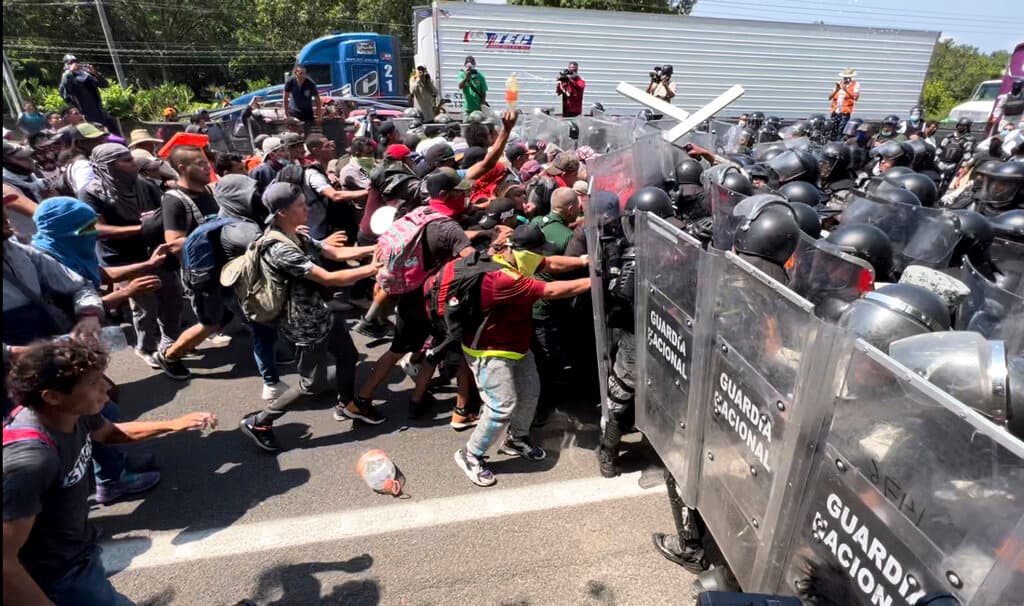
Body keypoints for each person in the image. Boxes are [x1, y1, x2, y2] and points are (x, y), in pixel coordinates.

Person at [3, 338, 215, 606]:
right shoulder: (31, 461)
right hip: (55, 576)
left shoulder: (71, 412)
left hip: (76, 552)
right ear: (53, 395)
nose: (107, 387)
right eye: (93, 383)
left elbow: (109, 433)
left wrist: (175, 424)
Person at [238, 183, 378, 452]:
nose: (307, 209)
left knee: (348, 357)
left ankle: (347, 404)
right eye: (301, 205)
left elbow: (333, 253)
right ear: (281, 212)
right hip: (305, 326)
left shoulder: (294, 234)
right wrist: (371, 269)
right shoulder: (279, 248)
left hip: (321, 313)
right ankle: (260, 421)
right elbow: (327, 277)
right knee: (311, 385)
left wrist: (373, 249)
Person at [454, 223, 590, 487]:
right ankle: (470, 453)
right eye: (537, 250)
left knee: (529, 394)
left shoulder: (518, 257)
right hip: (489, 351)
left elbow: (551, 263)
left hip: (516, 344)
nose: (541, 256)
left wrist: (585, 260)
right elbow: (551, 290)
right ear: (523, 249)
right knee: (501, 406)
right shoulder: (502, 277)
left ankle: (516, 439)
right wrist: (594, 280)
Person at [77, 143, 182, 369]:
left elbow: (163, 212)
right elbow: (94, 229)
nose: (133, 164)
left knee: (172, 297)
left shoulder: (143, 185)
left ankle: (170, 340)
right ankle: (146, 347)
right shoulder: (89, 192)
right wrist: (140, 228)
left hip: (154, 251)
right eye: (125, 161)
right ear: (107, 167)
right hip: (122, 258)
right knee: (145, 305)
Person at [152, 146, 221, 380]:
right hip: (199, 272)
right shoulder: (174, 200)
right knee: (210, 322)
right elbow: (173, 242)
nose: (207, 167)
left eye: (206, 163)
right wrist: (214, 235)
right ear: (182, 168)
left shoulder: (206, 192)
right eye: (200, 164)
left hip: (219, 266)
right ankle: (170, 355)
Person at [529, 188, 581, 422]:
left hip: (527, 299)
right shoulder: (569, 238)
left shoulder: (537, 222)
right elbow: (569, 275)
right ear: (571, 209)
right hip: (549, 306)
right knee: (547, 360)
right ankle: (540, 410)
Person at [57, 54, 115, 133]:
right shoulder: (66, 77)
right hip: (84, 116)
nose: (75, 64)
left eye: (76, 61)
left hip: (100, 112)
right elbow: (67, 92)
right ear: (66, 65)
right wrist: (71, 71)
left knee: (111, 129)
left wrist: (95, 73)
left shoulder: (87, 75)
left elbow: (105, 85)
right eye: (71, 63)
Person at [64, 122, 110, 195]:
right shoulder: (84, 166)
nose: (101, 142)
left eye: (101, 138)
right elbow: (86, 195)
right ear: (81, 143)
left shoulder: (84, 161)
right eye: (95, 140)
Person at [283, 65, 323, 132]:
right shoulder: (290, 81)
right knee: (295, 134)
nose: (303, 75)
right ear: (296, 73)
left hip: (307, 113)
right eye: (301, 73)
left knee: (308, 134)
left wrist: (319, 116)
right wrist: (285, 113)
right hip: (294, 112)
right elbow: (285, 98)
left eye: (304, 73)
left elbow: (317, 99)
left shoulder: (310, 83)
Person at [828, 68, 860, 141]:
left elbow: (855, 98)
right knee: (832, 128)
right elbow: (829, 97)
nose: (845, 79)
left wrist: (846, 90)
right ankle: (831, 143)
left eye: (847, 77)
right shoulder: (839, 84)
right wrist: (836, 90)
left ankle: (839, 144)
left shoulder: (855, 84)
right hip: (835, 110)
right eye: (844, 77)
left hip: (845, 111)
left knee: (841, 129)